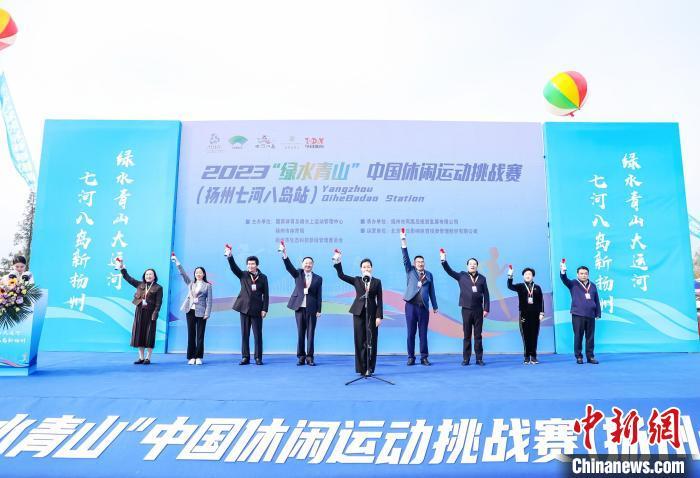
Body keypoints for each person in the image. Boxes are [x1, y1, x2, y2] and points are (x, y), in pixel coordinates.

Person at [333, 251, 383, 375]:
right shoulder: (356, 280)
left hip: (372, 314)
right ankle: (362, 368)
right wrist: (338, 261)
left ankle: (370, 368)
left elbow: (380, 300)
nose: (366, 268)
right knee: (360, 341)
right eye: (364, 267)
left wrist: (379, 316)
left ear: (372, 268)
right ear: (361, 269)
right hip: (358, 313)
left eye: (368, 266)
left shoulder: (377, 282)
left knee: (371, 341)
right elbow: (341, 275)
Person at [440, 250, 490, 366]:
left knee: (478, 335)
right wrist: (443, 260)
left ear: (477, 266)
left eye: (474, 264)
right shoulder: (461, 276)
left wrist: (486, 309)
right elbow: (449, 271)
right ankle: (466, 359)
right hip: (466, 309)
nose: (472, 265)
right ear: (467, 266)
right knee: (467, 335)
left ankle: (479, 359)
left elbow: (486, 294)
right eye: (470, 263)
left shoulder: (482, 278)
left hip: (478, 310)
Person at [225, 245, 269, 365]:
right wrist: (230, 256)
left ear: (257, 265)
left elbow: (266, 295)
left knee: (257, 335)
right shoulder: (243, 275)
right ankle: (245, 357)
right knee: (245, 334)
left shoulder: (263, 277)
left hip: (257, 310)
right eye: (248, 264)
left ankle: (258, 358)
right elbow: (234, 268)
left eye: (253, 264)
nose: (250, 266)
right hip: (243, 308)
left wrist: (265, 309)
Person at [280, 242, 322, 366]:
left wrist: (319, 310)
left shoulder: (318, 278)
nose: (308, 265)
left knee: (311, 334)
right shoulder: (297, 273)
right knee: (300, 333)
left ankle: (310, 357)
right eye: (306, 263)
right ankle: (301, 356)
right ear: (302, 264)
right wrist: (284, 254)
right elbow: (289, 267)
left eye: (310, 263)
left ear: (313, 265)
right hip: (299, 308)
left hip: (312, 309)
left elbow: (319, 295)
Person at [400, 230, 438, 366]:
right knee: (411, 333)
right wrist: (403, 241)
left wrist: (435, 306)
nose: (420, 263)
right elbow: (405, 257)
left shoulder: (429, 275)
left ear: (424, 263)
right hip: (411, 306)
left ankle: (424, 357)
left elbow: (432, 291)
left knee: (423, 334)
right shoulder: (410, 270)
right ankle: (411, 357)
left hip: (423, 308)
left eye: (422, 262)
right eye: (418, 262)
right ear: (414, 263)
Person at [116, 258, 163, 365]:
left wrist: (155, 313)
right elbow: (128, 278)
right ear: (144, 276)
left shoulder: (158, 287)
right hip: (140, 312)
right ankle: (141, 358)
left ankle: (148, 358)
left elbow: (159, 303)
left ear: (154, 276)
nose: (148, 276)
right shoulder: (140, 284)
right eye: (147, 274)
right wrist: (122, 268)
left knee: (149, 334)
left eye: (150, 274)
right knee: (139, 334)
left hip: (150, 313)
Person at [171, 253, 213, 365]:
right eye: (196, 272)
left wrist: (207, 313)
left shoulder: (208, 285)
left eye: (200, 272)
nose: (198, 274)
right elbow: (183, 274)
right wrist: (177, 263)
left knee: (200, 335)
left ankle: (198, 357)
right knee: (191, 334)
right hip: (190, 310)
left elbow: (209, 300)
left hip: (202, 312)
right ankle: (191, 356)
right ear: (194, 274)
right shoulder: (191, 283)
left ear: (204, 274)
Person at [560, 261, 601, 364]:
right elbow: (564, 279)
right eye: (581, 273)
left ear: (588, 274)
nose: (583, 275)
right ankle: (579, 357)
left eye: (586, 273)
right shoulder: (573, 283)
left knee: (590, 337)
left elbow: (596, 299)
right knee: (578, 336)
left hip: (591, 314)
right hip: (578, 314)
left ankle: (590, 357)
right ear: (577, 274)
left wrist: (598, 313)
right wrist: (563, 271)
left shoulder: (593, 285)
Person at [507, 266, 545, 364]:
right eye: (526, 274)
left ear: (533, 276)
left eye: (529, 274)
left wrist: (541, 313)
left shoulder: (537, 287)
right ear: (523, 276)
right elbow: (510, 286)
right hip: (524, 314)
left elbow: (541, 301)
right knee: (525, 335)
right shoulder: (520, 286)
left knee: (534, 335)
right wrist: (510, 276)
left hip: (535, 315)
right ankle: (527, 356)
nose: (528, 276)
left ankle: (534, 356)